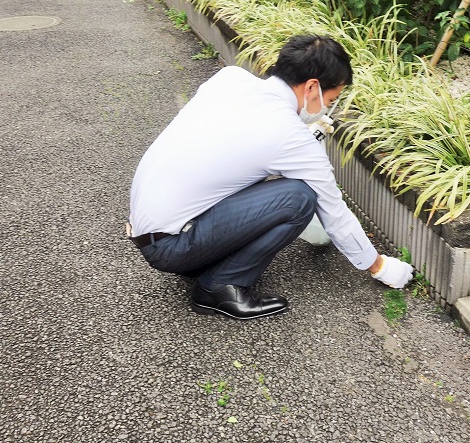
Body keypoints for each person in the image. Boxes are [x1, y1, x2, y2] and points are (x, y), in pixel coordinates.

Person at [128, 34, 414, 320]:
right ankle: (219, 287)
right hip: (171, 247)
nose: (328, 107)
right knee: (299, 199)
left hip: (150, 229)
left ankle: (204, 261)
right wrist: (380, 266)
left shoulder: (230, 79)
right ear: (312, 87)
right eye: (331, 98)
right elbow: (334, 212)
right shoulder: (288, 134)